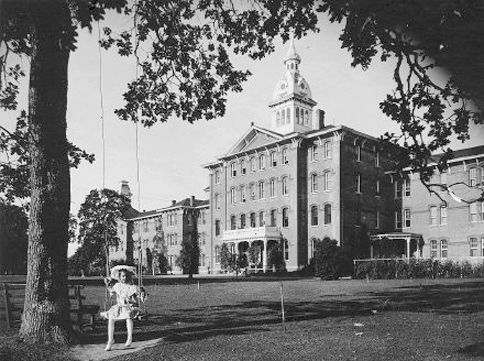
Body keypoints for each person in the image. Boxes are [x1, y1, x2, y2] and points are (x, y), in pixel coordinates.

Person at [100, 266, 141, 351]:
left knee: (128, 318)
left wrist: (132, 300)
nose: (124, 278)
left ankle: (129, 338)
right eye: (122, 276)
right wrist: (107, 283)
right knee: (111, 319)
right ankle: (110, 340)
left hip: (128, 307)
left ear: (128, 277)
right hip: (119, 307)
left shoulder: (132, 287)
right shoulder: (117, 285)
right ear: (119, 277)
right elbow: (111, 290)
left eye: (126, 276)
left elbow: (135, 299)